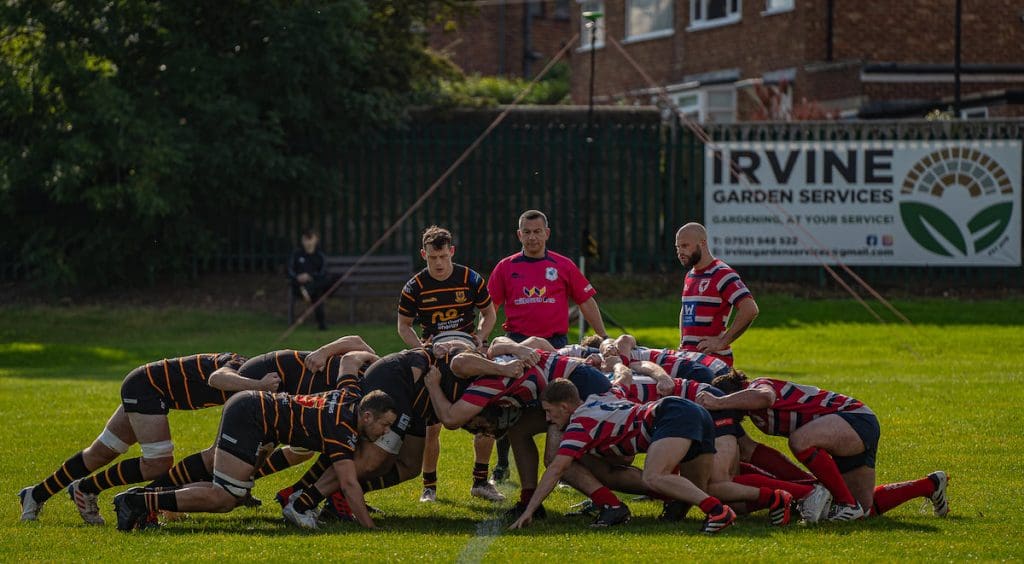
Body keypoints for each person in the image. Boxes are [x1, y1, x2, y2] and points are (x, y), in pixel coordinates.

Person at [17, 353, 278, 524]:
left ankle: (35, 494)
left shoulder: (257, 388)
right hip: (147, 387)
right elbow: (216, 377)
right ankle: (86, 488)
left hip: (148, 388)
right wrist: (259, 385)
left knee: (102, 452)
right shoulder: (238, 365)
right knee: (158, 463)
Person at [112, 384, 397, 531]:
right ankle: (135, 501)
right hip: (250, 414)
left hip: (256, 413)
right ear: (367, 415)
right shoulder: (342, 428)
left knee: (232, 494)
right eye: (384, 425)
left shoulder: (350, 400)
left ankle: (142, 499)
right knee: (225, 498)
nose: (385, 431)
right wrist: (370, 529)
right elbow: (348, 484)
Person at [700, 371, 950, 521]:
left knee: (799, 441)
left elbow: (765, 396)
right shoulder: (757, 418)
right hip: (844, 430)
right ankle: (930, 484)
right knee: (865, 511)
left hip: (856, 419)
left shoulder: (758, 386)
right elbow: (754, 452)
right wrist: (808, 482)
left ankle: (846, 504)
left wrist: (718, 402)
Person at [509, 380, 737, 535]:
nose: (548, 418)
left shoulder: (580, 424)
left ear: (564, 406)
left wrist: (529, 510)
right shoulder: (601, 396)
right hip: (693, 410)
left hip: (670, 414)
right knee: (700, 488)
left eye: (549, 411)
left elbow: (556, 468)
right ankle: (772, 497)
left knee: (654, 477)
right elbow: (622, 381)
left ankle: (719, 511)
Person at [488, 209, 609, 481]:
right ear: (519, 235)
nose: (532, 237)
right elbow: (490, 307)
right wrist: (482, 337)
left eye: (537, 231)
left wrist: (602, 335)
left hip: (555, 347)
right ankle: (502, 464)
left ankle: (568, 462)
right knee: (509, 405)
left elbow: (585, 301)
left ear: (547, 233)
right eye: (527, 232)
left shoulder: (563, 265)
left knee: (563, 404)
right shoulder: (506, 267)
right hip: (517, 345)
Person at [396, 226, 501, 504]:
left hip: (468, 351)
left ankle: (481, 481)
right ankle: (429, 487)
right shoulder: (414, 286)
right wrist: (422, 349)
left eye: (443, 256)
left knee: (487, 417)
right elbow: (403, 326)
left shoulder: (470, 278)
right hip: (435, 354)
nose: (439, 263)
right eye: (432, 258)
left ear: (451, 251)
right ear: (423, 254)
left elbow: (489, 313)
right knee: (432, 426)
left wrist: (480, 337)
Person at [675, 223, 759, 366]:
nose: (680, 252)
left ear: (702, 243)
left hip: (712, 361)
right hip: (689, 358)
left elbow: (750, 309)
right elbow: (685, 311)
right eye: (677, 247)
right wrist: (683, 344)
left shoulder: (721, 273)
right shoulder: (690, 275)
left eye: (685, 246)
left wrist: (722, 341)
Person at [288, 227, 329, 330]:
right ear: (302, 240)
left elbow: (322, 272)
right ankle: (322, 324)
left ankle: (308, 291)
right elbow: (289, 271)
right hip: (299, 286)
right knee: (317, 293)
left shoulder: (320, 256)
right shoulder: (297, 254)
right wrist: (299, 277)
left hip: (314, 285)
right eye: (306, 239)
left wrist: (310, 276)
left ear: (316, 240)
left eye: (310, 239)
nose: (308, 242)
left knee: (320, 289)